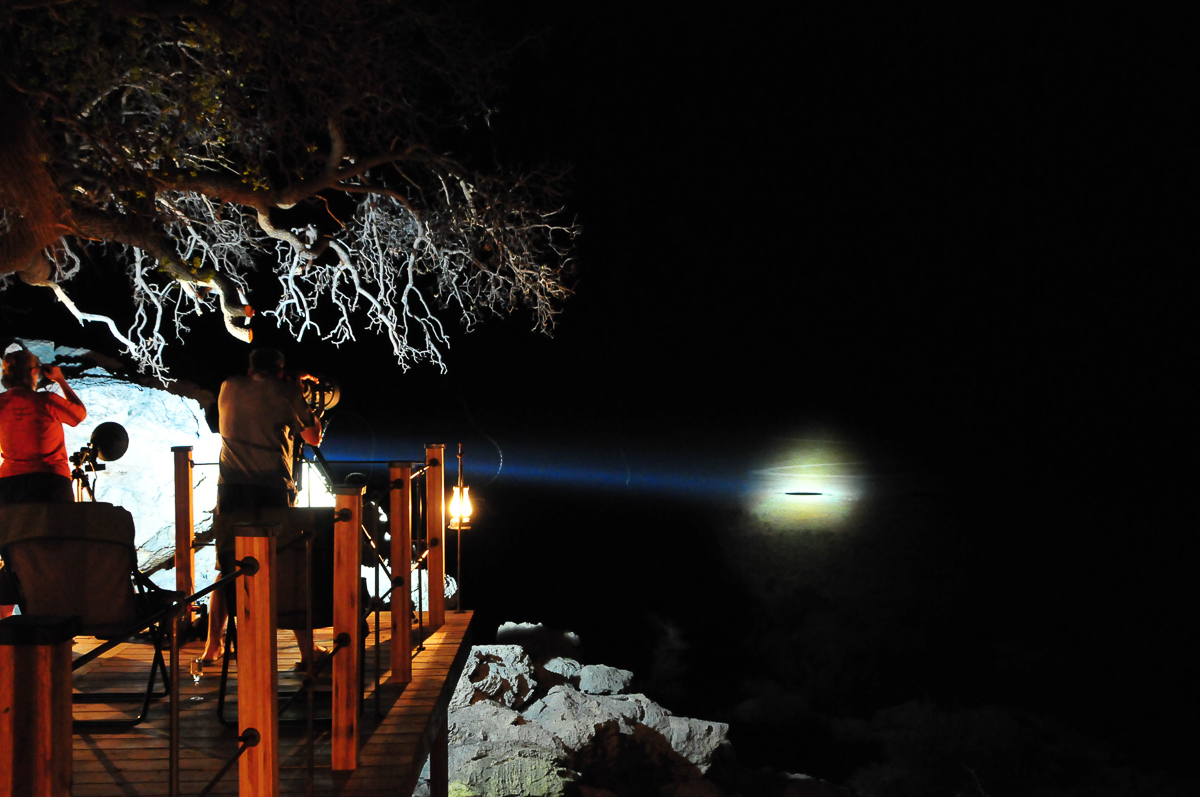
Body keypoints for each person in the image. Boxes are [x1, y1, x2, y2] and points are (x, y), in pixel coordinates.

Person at [200, 348, 324, 669]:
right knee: (287, 568)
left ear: (250, 367)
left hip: (230, 492)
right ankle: (307, 651)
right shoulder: (286, 392)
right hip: (270, 492)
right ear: (281, 372)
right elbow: (313, 437)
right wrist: (300, 394)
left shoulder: (229, 386)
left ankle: (212, 647)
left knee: (226, 567)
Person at [0, 348, 88, 617]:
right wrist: (61, 380)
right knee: (55, 555)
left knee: (13, 557)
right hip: (51, 484)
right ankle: (53, 628)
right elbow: (78, 415)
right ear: (34, 372)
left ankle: (3, 628)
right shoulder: (48, 401)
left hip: (10, 486)